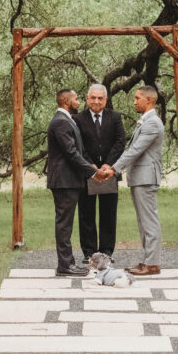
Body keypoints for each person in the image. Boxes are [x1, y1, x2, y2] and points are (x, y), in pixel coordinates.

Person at [99, 85, 164, 276]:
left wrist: (113, 169)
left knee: (149, 221)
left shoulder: (152, 123)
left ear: (149, 100)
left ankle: (152, 263)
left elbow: (135, 150)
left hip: (145, 178)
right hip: (140, 177)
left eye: (137, 98)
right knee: (143, 221)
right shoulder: (146, 121)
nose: (134, 101)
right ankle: (147, 261)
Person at [47, 89, 102, 276]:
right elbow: (71, 153)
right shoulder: (60, 122)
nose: (79, 102)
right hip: (64, 181)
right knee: (64, 224)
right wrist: (93, 172)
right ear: (66, 101)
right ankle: (64, 265)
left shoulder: (67, 120)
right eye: (76, 99)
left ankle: (68, 262)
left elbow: (77, 150)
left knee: (66, 224)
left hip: (69, 180)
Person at [74, 83, 126, 263]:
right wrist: (92, 167)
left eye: (100, 98)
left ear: (106, 100)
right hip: (87, 173)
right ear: (87, 99)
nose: (96, 101)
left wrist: (107, 165)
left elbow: (120, 142)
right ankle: (89, 254)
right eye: (93, 97)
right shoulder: (78, 119)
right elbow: (78, 145)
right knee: (86, 214)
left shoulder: (115, 117)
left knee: (108, 213)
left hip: (109, 173)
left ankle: (106, 253)